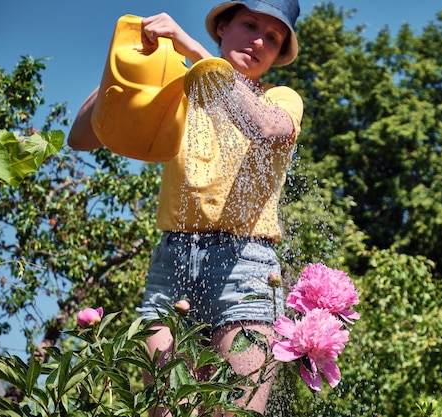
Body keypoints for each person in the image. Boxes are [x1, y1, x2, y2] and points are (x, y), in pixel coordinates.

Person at [67, 0, 303, 415]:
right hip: (172, 262)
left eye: (273, 37)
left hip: (247, 267)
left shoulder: (281, 99)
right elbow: (84, 138)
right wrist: (121, 67)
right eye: (250, 25)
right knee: (166, 409)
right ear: (224, 27)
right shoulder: (182, 91)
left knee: (236, 410)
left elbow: (264, 128)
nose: (259, 41)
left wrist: (195, 53)